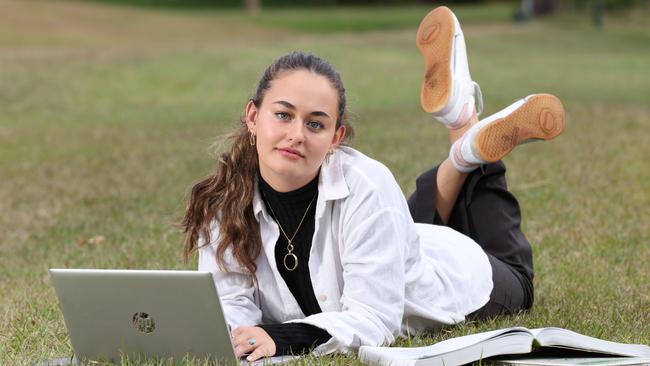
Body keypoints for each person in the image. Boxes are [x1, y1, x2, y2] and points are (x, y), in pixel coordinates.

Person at [181, 6, 566, 363]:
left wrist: (281, 338)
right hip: (398, 241)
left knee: (519, 281)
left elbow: (374, 320)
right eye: (283, 115)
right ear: (253, 115)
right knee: (401, 225)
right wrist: (237, 337)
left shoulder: (366, 184)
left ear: (337, 136)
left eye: (315, 123)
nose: (296, 134)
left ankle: (468, 144)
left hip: (456, 275)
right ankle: (461, 129)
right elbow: (228, 302)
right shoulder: (225, 198)